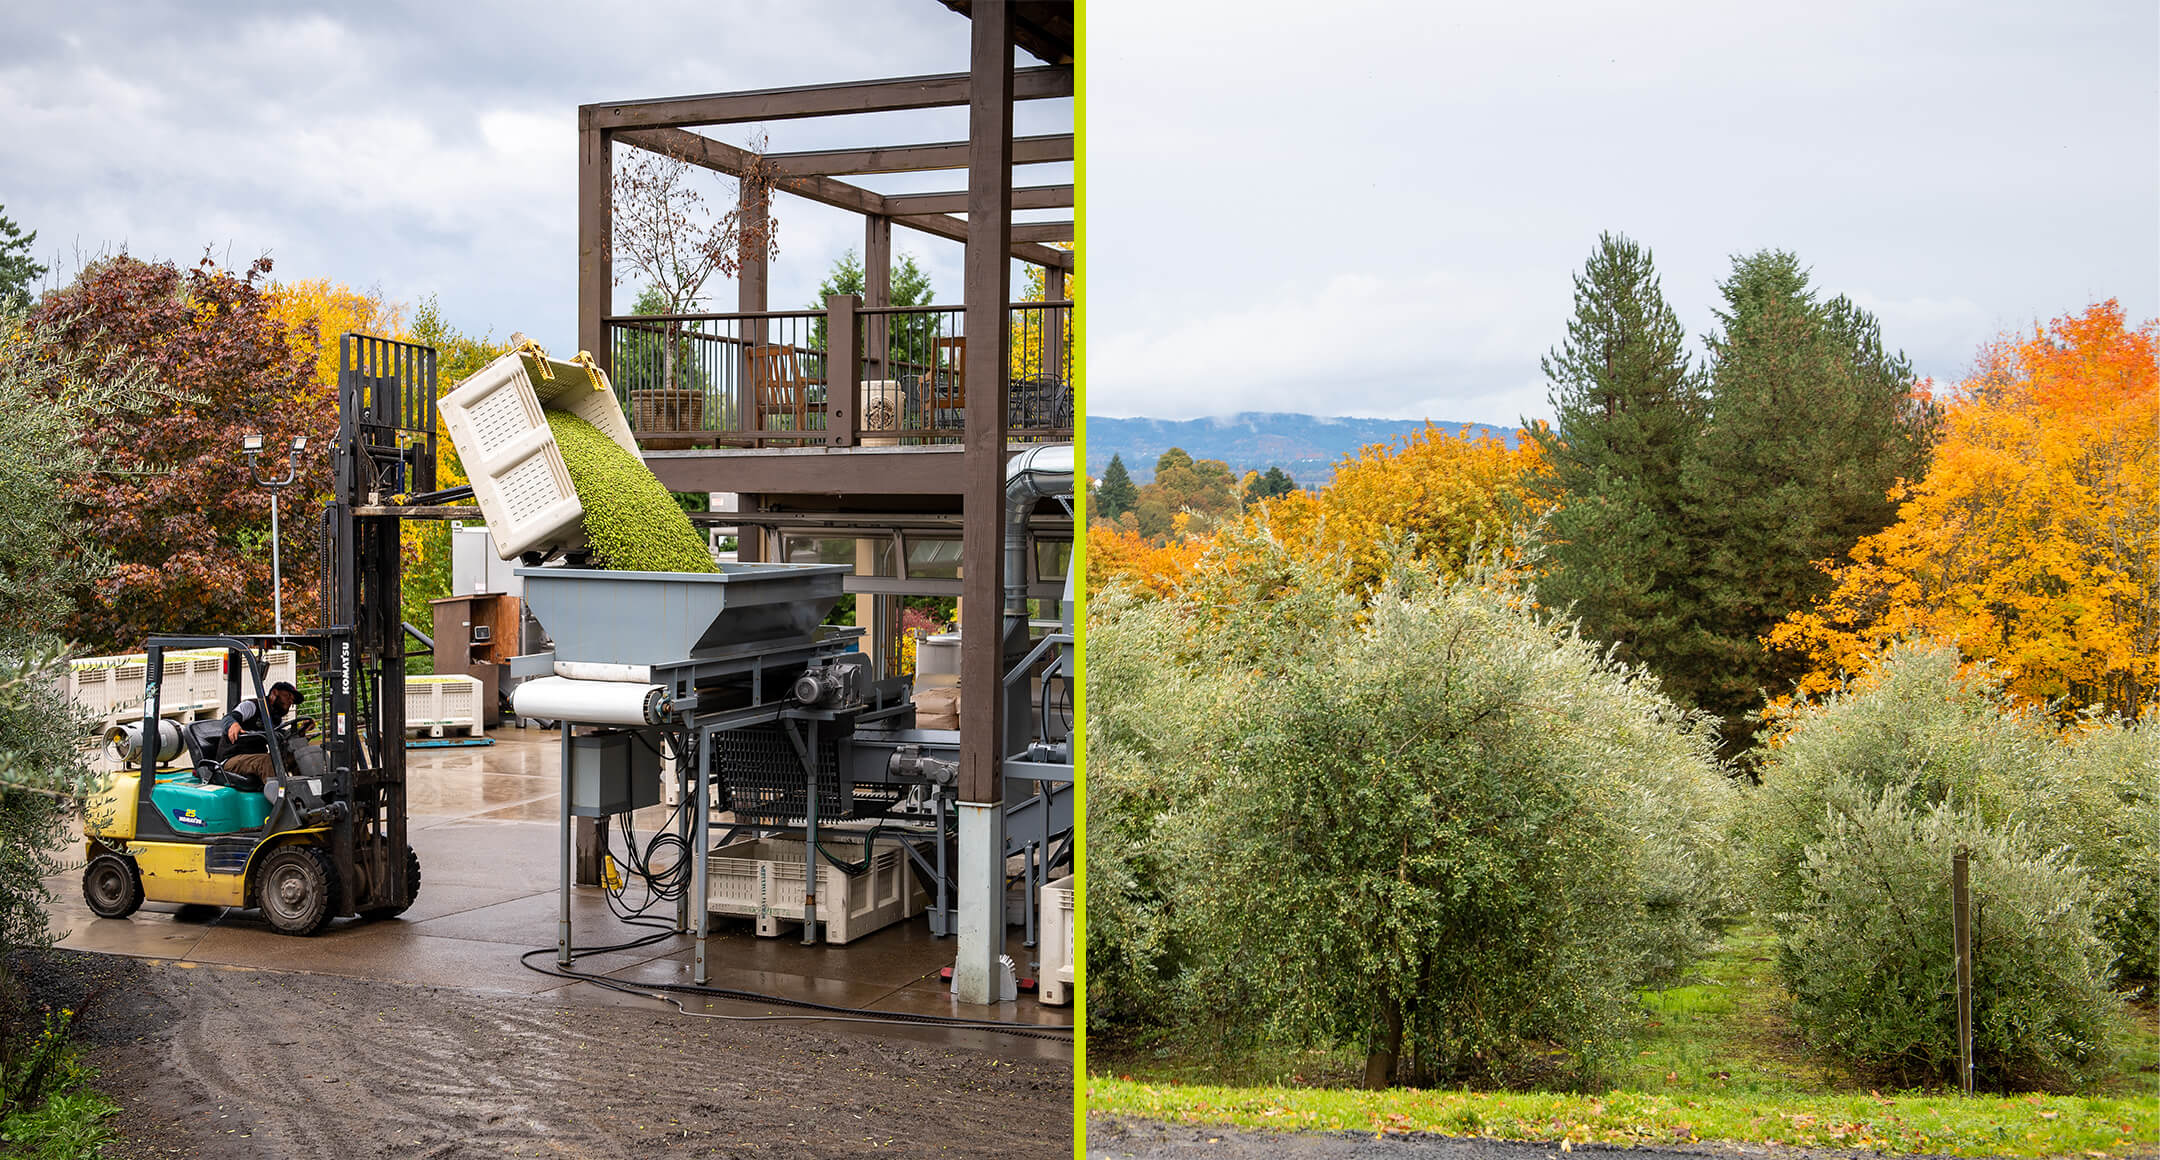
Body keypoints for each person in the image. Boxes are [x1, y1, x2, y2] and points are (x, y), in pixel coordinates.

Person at [219, 682, 304, 787]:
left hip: (254, 758)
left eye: (293, 700)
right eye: (288, 696)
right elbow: (228, 718)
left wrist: (300, 732)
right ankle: (281, 800)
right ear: (274, 693)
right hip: (232, 759)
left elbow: (283, 736)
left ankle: (307, 794)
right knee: (266, 761)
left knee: (296, 756)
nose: (291, 701)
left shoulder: (275, 720)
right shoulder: (252, 706)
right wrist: (233, 724)